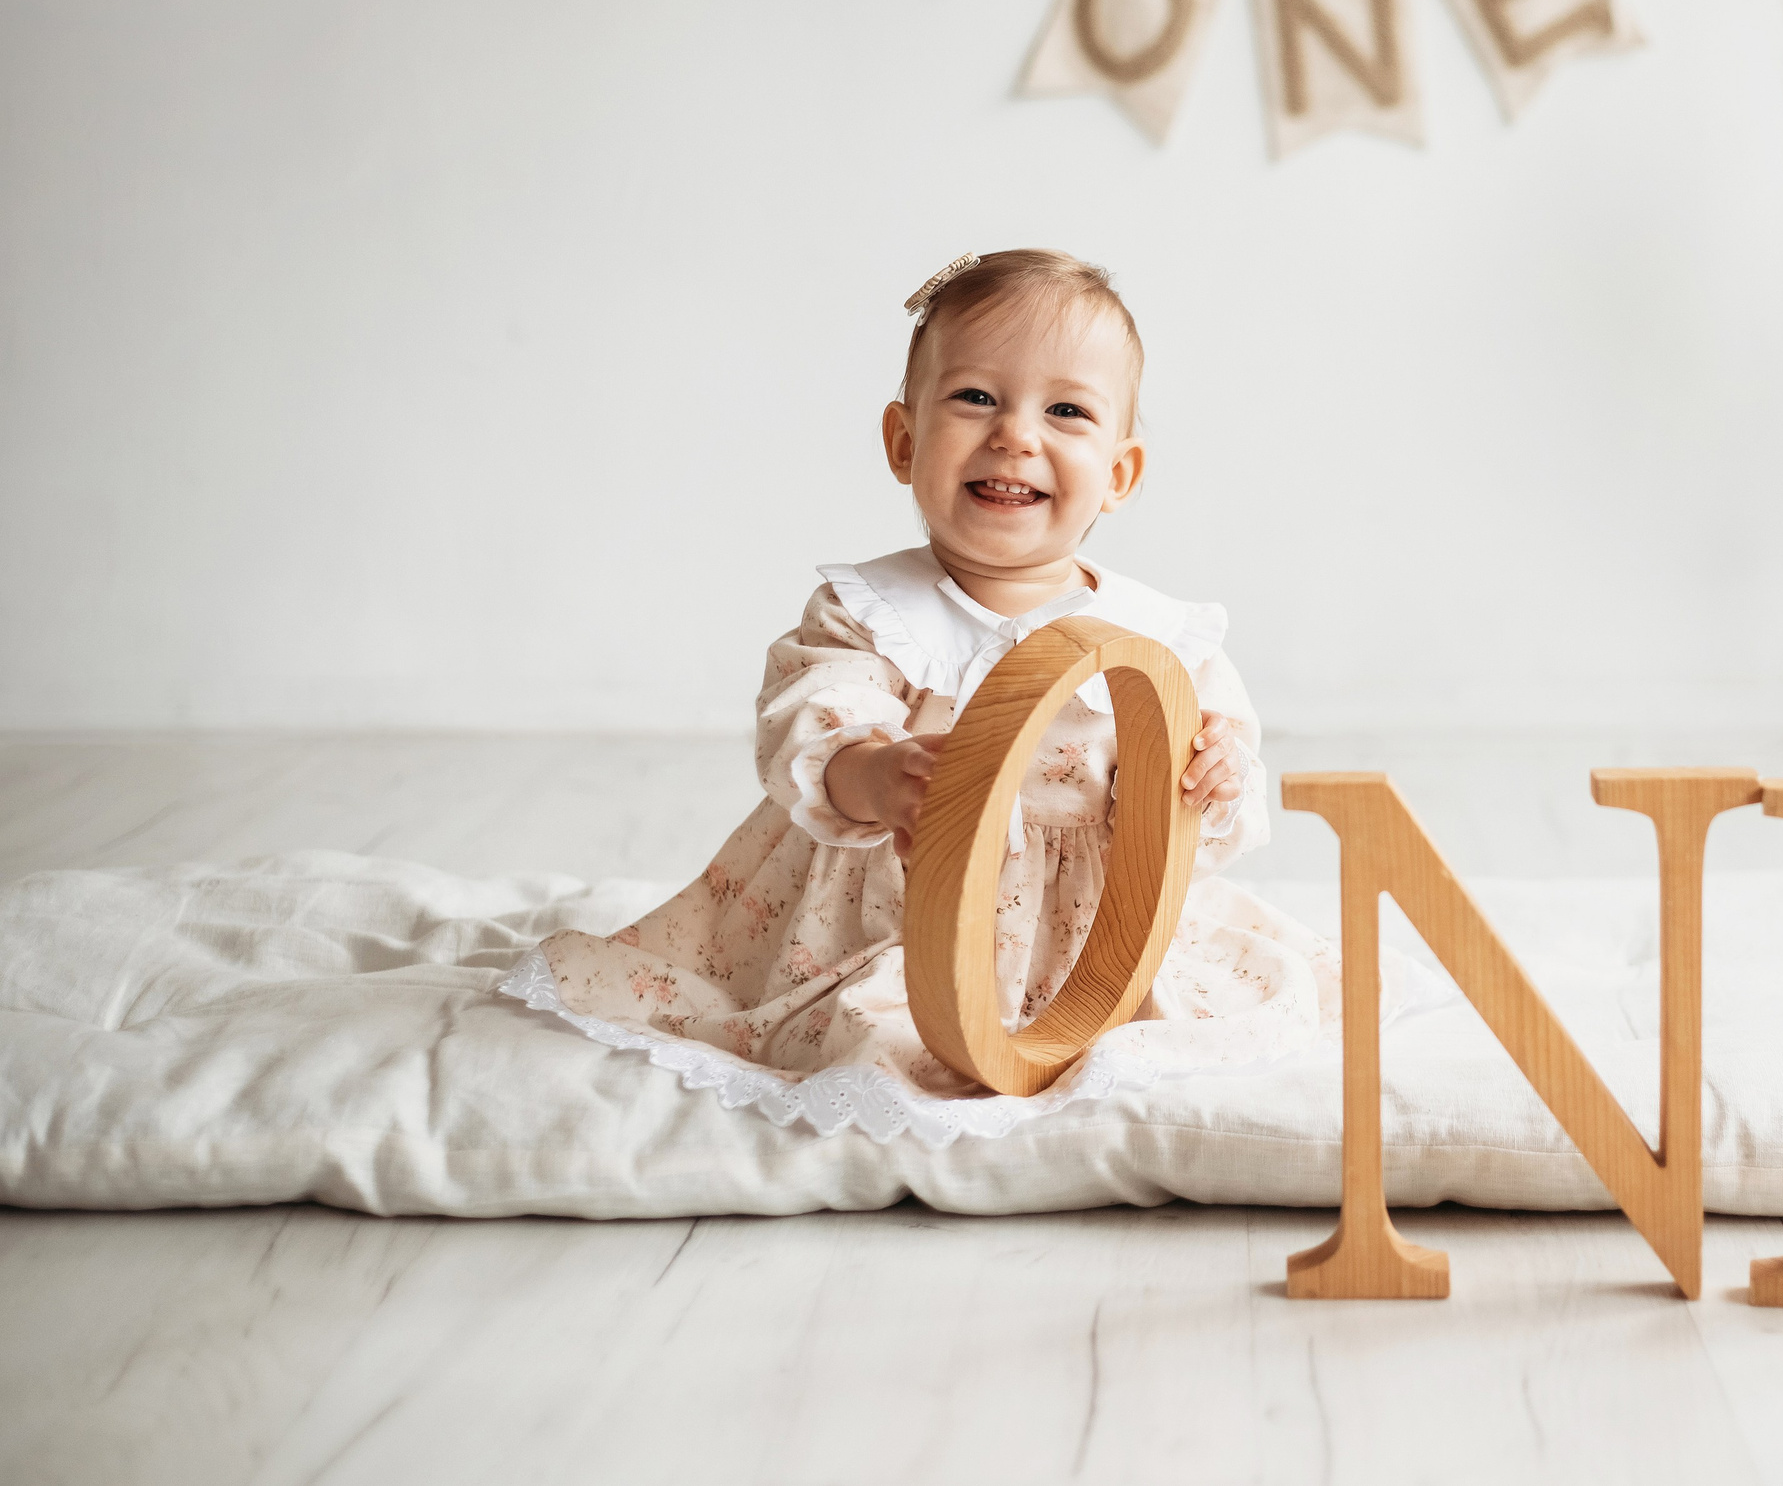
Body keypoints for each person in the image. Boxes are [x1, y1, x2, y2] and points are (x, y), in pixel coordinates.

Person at [505, 249, 1417, 1141]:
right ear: (904, 443)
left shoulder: (1159, 637)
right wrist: (874, 773)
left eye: (1066, 410)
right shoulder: (873, 612)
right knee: (880, 1038)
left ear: (1120, 473)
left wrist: (1213, 778)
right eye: (976, 397)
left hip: (1100, 930)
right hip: (898, 916)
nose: (1015, 434)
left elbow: (1211, 783)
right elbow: (811, 719)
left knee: (1196, 1012)